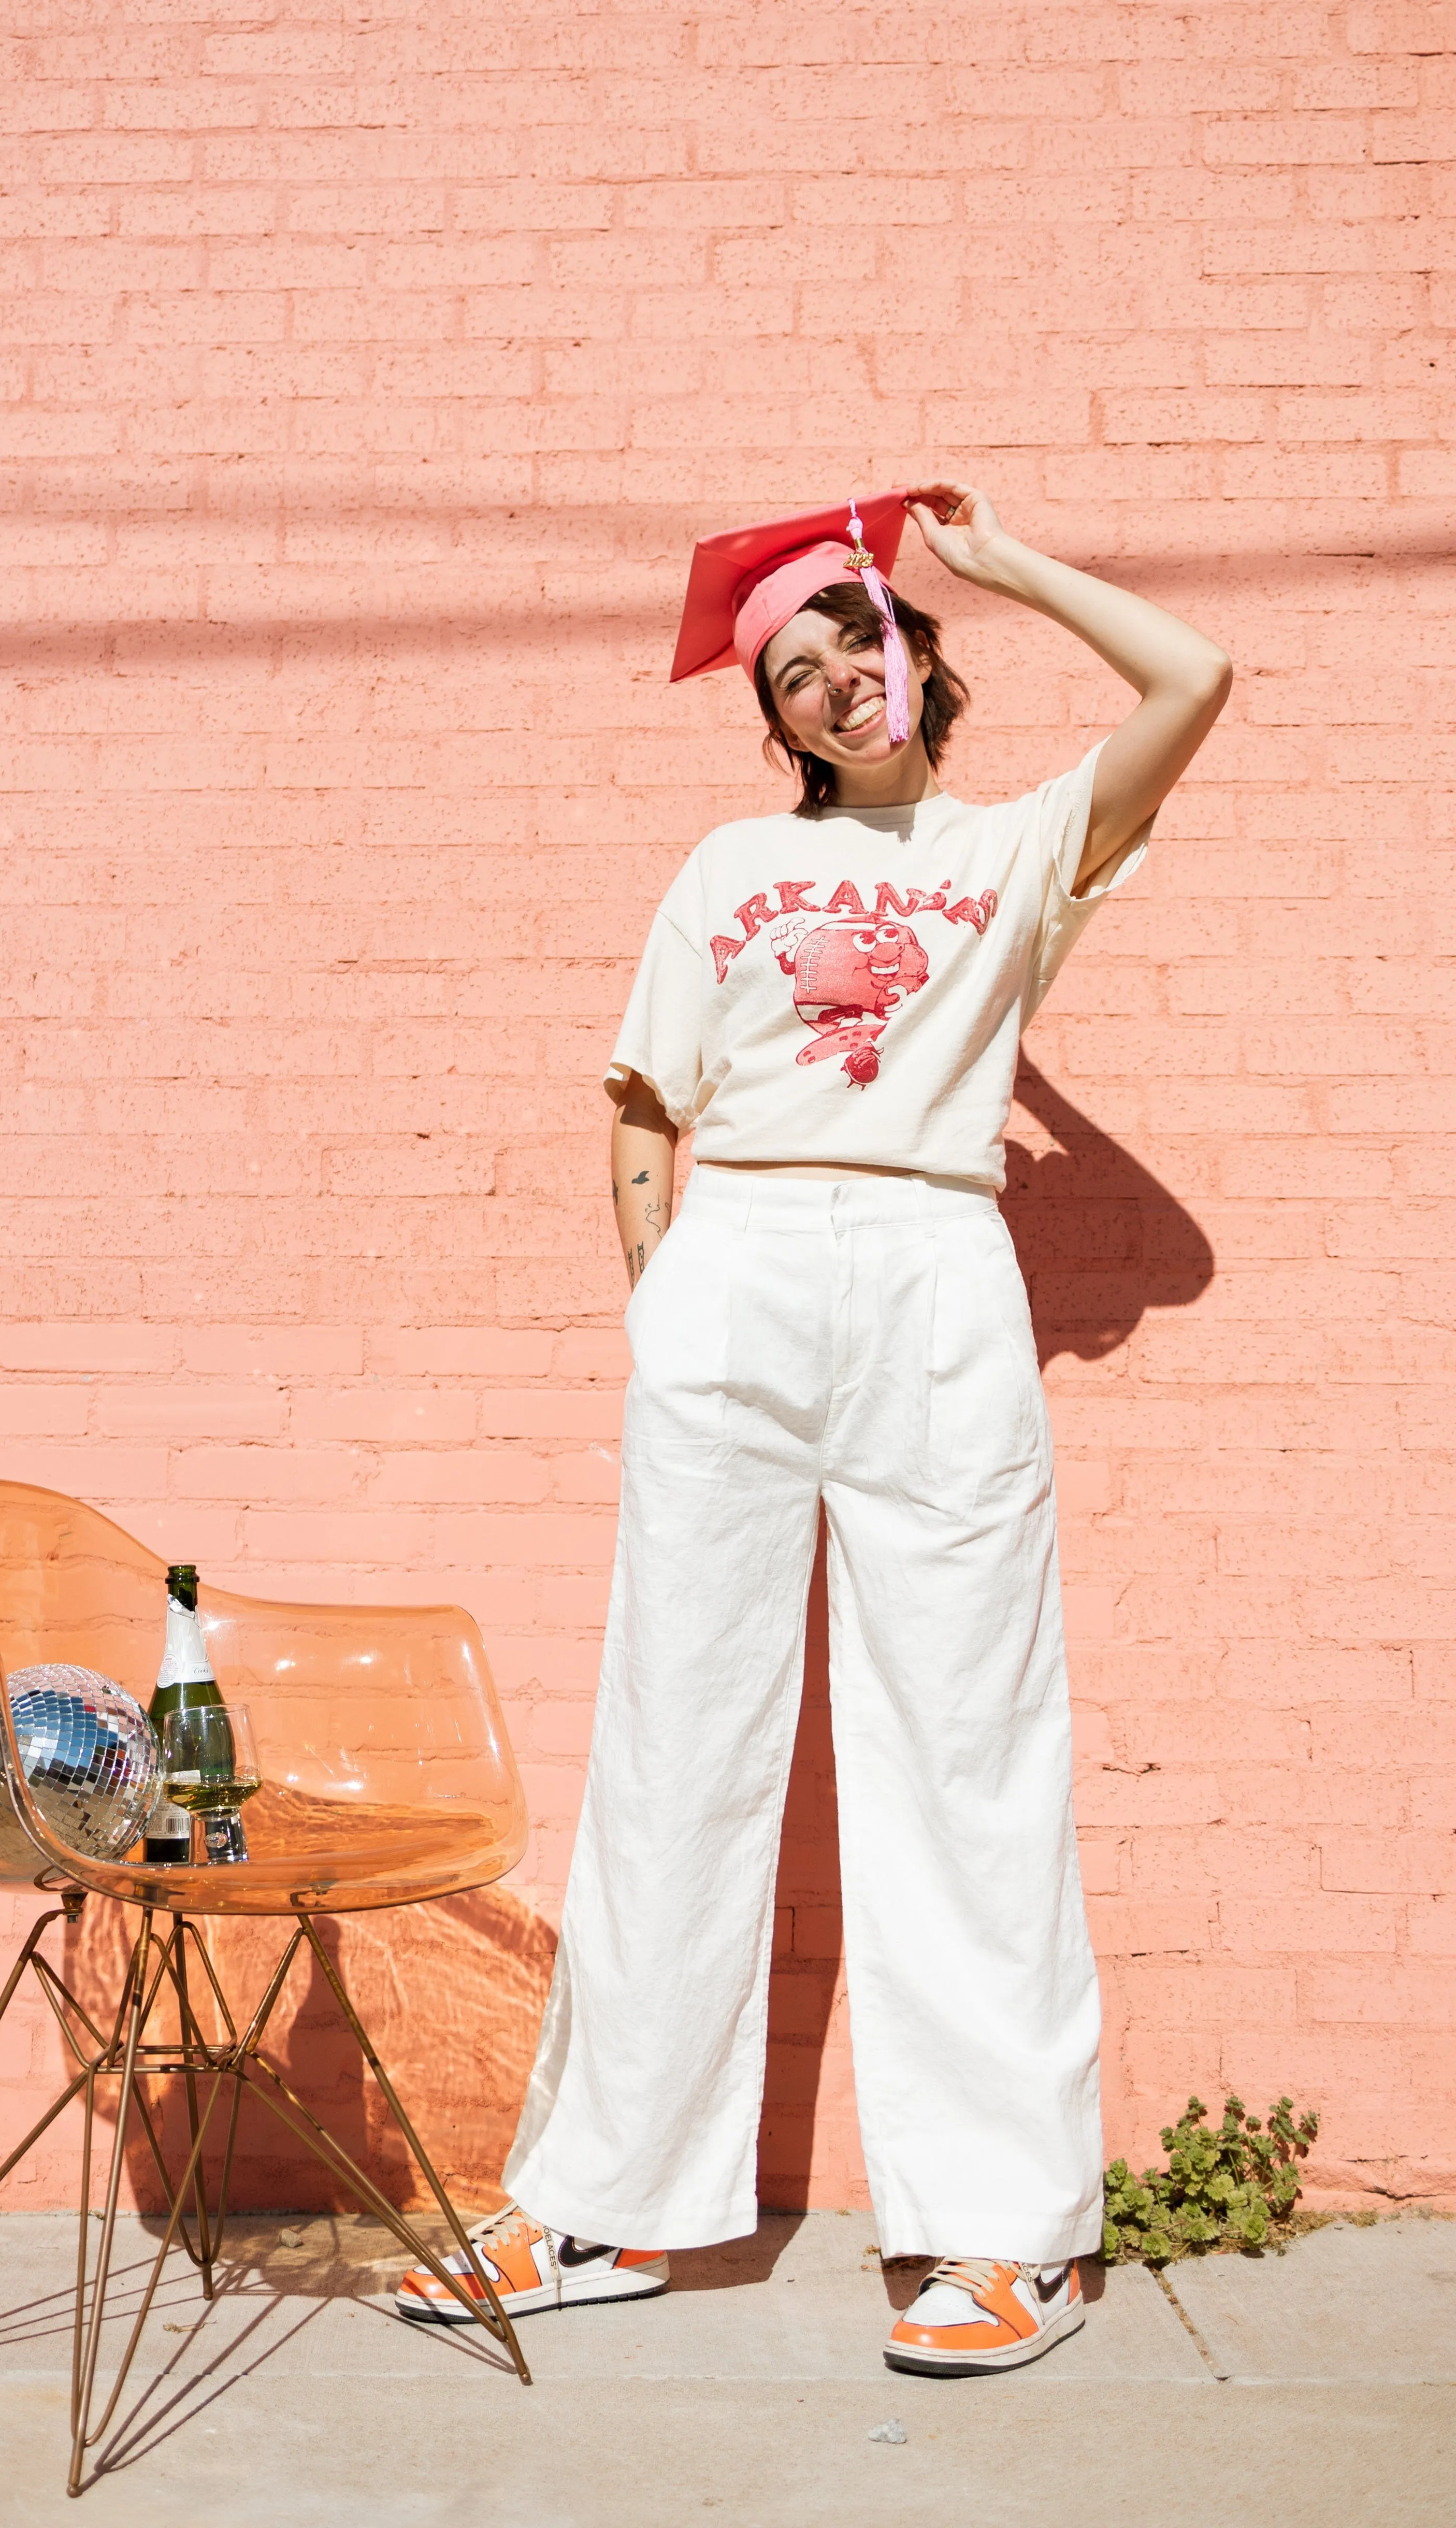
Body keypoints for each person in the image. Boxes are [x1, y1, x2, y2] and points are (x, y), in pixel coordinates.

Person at [395, 482, 1231, 2375]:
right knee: (673, 1735)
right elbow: (641, 1104)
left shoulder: (1021, 849)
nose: (839, 677)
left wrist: (1002, 563)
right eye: (797, 670)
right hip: (740, 1261)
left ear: (918, 658)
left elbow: (1199, 672)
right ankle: (604, 2207)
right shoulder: (721, 873)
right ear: (768, 722)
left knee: (968, 1744)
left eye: (863, 638)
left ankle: (1013, 2234)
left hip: (937, 1260)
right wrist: (664, 1300)